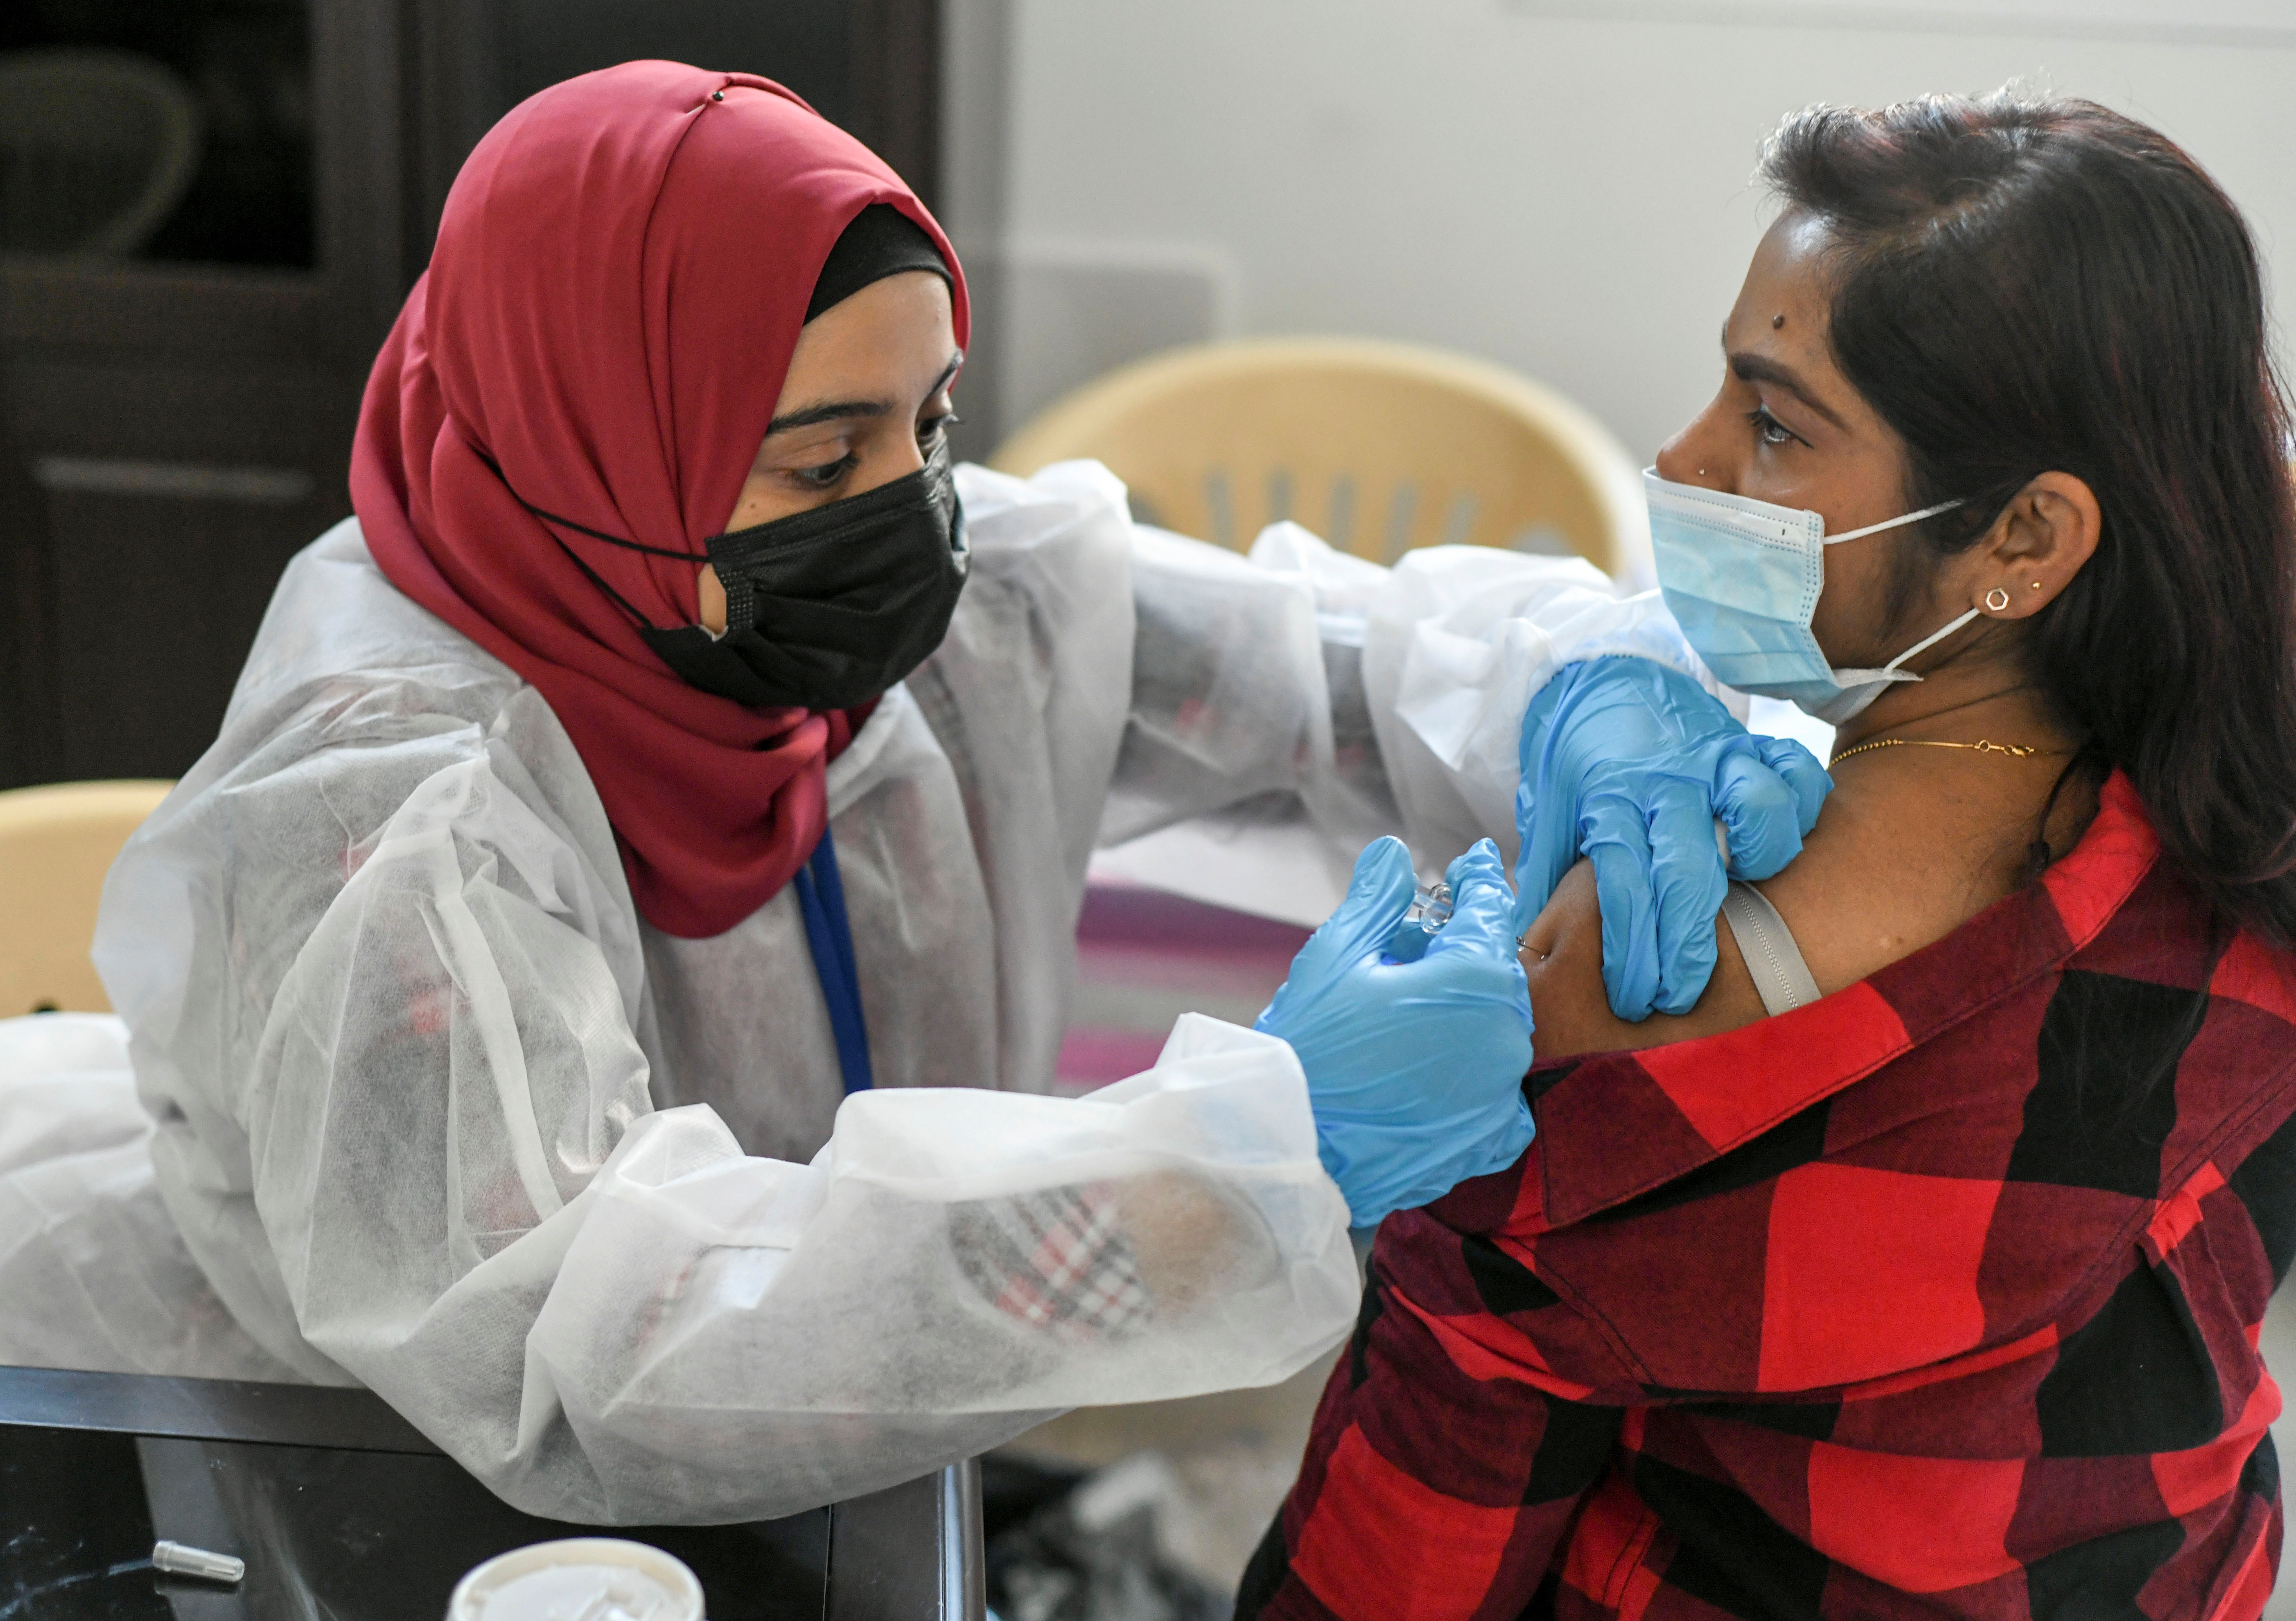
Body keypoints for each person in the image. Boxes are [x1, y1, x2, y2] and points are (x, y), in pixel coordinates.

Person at [0, 62, 1822, 1524]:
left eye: (930, 421)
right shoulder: (380, 819)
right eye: (823, 455)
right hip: (308, 1465)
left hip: (804, 1447)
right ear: (599, 441)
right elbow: (594, 1357)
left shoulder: (930, 609)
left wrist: (1591, 694)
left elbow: (1330, 677)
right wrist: (1239, 1151)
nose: (917, 509)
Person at [1242, 91, 2296, 1618]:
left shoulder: (1631, 974)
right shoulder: (2234, 816)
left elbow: (1410, 1542)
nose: (1680, 455)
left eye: (1775, 423)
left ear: (2023, 540)